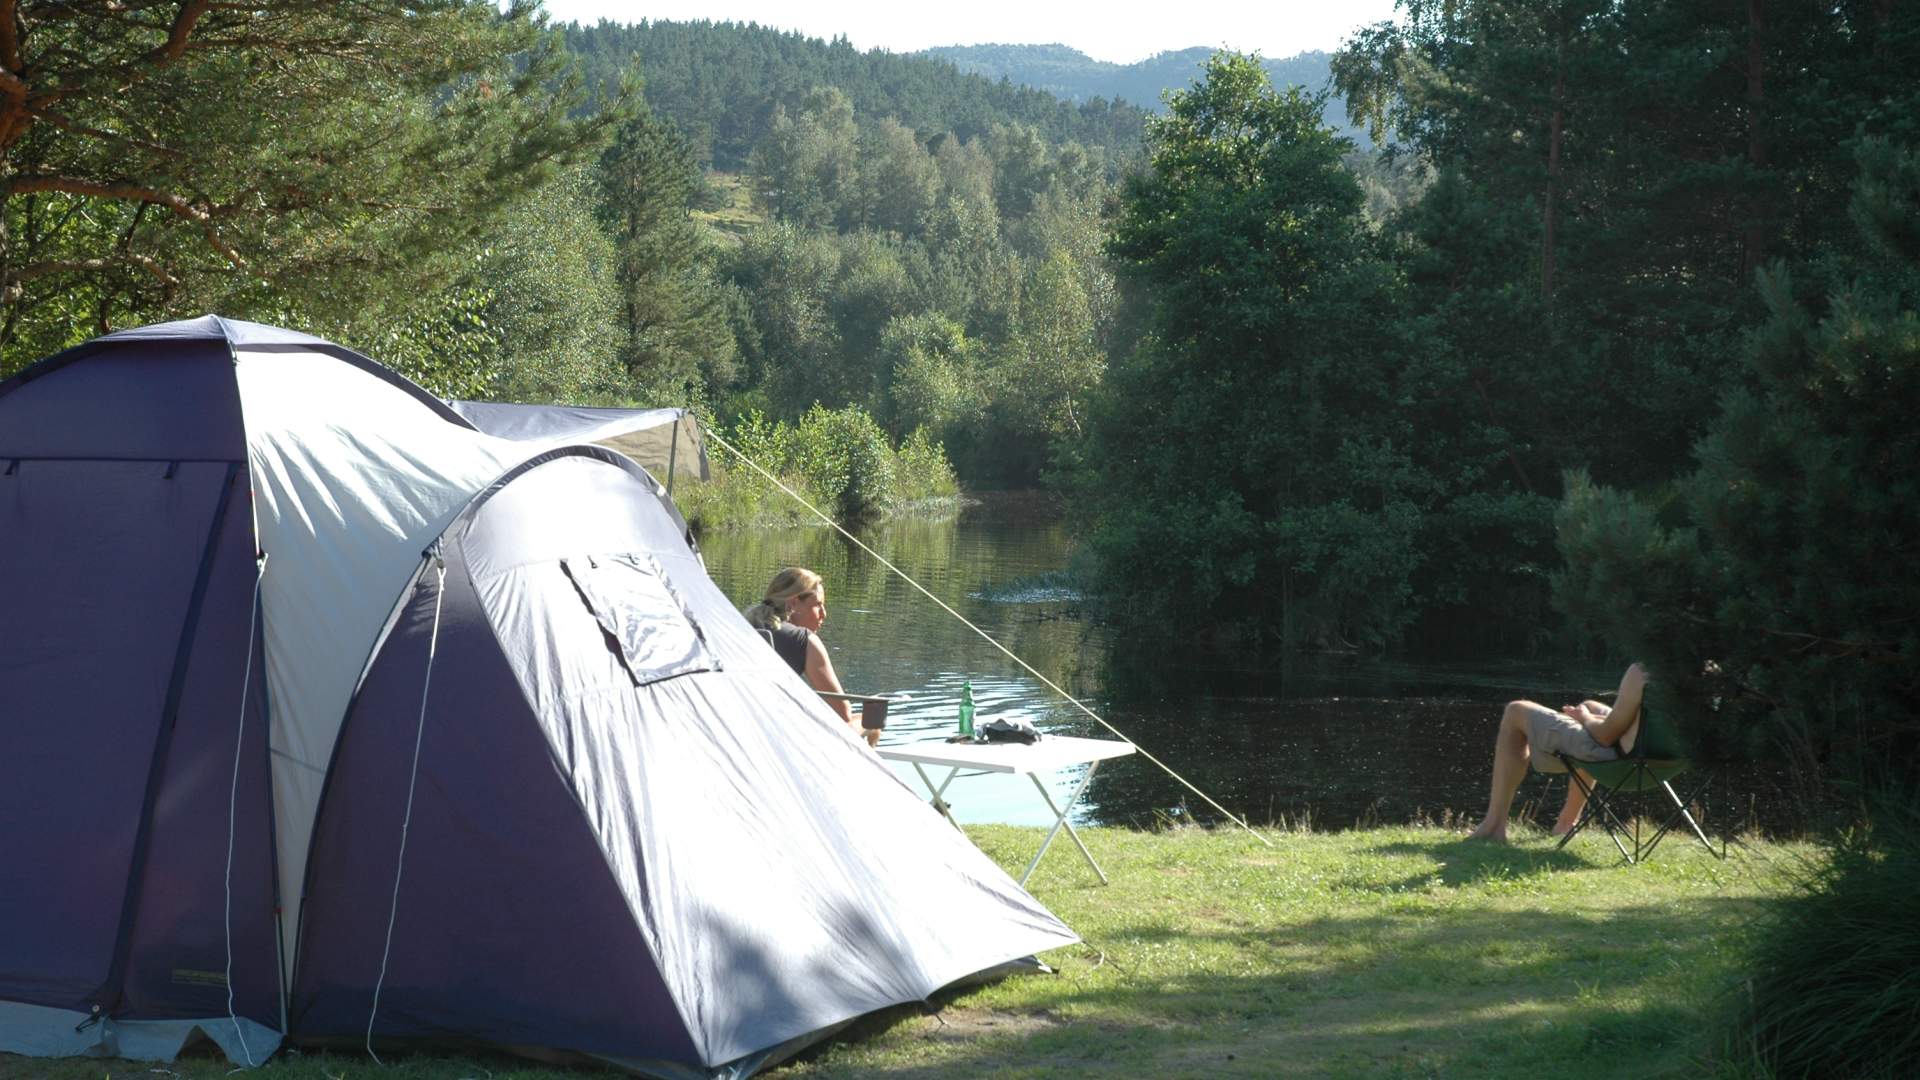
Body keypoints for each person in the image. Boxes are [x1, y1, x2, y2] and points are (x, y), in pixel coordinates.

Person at [1465, 663, 1647, 842]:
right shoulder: (1674, 671)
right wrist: (1593, 716)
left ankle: (1494, 826)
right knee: (1590, 705)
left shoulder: (1643, 671)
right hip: (1656, 761)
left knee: (1516, 710)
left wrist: (1585, 718)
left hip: (1616, 756)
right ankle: (1566, 823)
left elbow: (1605, 736)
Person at [744, 567, 879, 747]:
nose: (824, 614)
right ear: (793, 604)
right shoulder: (804, 641)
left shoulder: (740, 627)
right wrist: (870, 723)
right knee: (870, 719)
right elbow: (843, 716)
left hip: (736, 732)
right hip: (773, 742)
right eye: (817, 605)